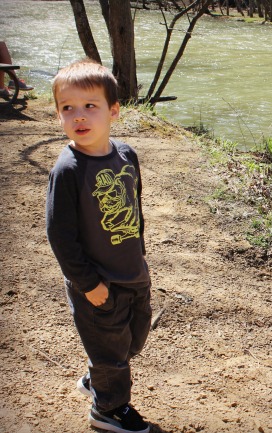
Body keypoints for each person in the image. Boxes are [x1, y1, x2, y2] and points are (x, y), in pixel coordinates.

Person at [46, 59, 152, 433]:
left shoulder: (126, 155)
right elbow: (60, 235)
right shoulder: (68, 169)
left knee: (132, 340)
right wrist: (87, 283)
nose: (79, 116)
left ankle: (97, 379)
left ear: (113, 111)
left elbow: (135, 208)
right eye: (67, 108)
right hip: (97, 282)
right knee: (110, 351)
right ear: (59, 114)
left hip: (132, 271)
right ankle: (108, 408)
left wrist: (140, 255)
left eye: (90, 105)